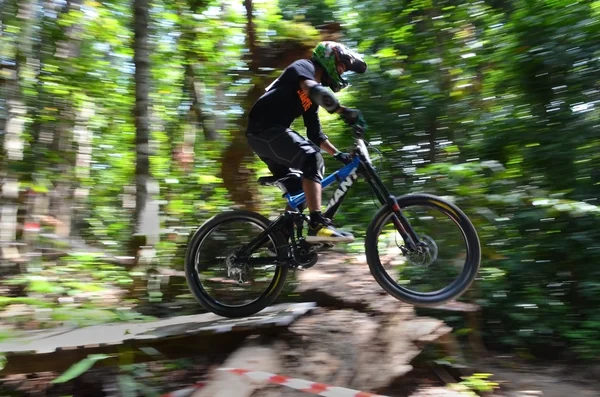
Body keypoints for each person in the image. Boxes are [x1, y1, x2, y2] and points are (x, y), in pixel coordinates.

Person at [245, 41, 367, 243]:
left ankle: (281, 243)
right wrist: (343, 111)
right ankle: (317, 222)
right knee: (311, 157)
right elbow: (313, 89)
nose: (341, 73)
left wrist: (339, 155)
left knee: (299, 188)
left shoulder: (310, 99)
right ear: (328, 58)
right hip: (264, 130)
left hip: (267, 136)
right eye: (341, 66)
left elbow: (315, 134)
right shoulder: (304, 67)